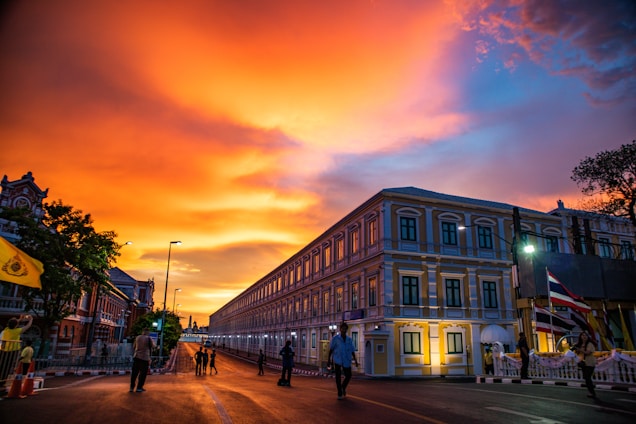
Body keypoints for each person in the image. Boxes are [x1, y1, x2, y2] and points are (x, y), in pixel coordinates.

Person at [327, 321, 358, 400]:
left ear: (346, 330)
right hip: (337, 359)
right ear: (340, 329)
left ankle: (343, 387)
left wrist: (356, 360)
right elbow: (331, 349)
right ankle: (339, 392)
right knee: (338, 377)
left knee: (349, 375)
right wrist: (329, 361)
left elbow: (352, 350)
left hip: (346, 360)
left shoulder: (349, 339)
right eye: (342, 328)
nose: (344, 330)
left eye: (345, 329)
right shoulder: (336, 339)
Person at [0, 314, 33, 382]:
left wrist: (19, 320)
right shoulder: (16, 331)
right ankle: (3, 381)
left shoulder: (6, 330)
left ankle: (2, 379)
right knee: (7, 367)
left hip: (3, 350)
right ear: (16, 325)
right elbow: (27, 326)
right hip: (12, 351)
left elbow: (12, 324)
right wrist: (31, 319)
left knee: (2, 366)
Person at [130, 328, 154, 393]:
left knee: (134, 373)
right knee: (142, 374)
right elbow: (153, 346)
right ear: (148, 332)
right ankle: (139, 387)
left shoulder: (137, 337)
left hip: (136, 356)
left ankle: (132, 387)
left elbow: (134, 346)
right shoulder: (149, 338)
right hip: (144, 358)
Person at [574, 332, 596, 398]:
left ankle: (592, 391)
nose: (584, 336)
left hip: (590, 363)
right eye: (582, 335)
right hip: (583, 363)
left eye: (585, 335)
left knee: (587, 377)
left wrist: (580, 350)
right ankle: (591, 391)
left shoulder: (589, 344)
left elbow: (588, 352)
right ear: (580, 337)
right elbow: (578, 353)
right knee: (586, 378)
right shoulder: (580, 344)